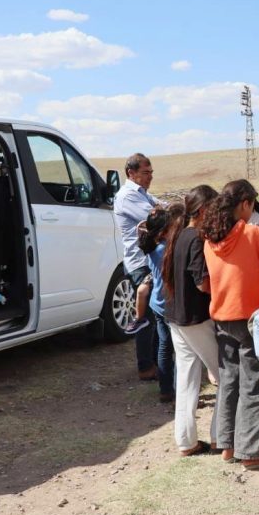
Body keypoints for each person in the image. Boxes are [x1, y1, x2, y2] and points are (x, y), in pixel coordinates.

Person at [200, 180, 259, 469]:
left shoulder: (210, 239)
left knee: (229, 382)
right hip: (252, 319)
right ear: (244, 204)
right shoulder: (253, 234)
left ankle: (226, 445)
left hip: (222, 318)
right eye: (251, 206)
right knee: (254, 384)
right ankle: (253, 453)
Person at [161, 184, 221, 456]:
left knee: (187, 380)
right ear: (204, 209)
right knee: (225, 375)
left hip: (176, 316)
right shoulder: (196, 238)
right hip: (196, 318)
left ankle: (186, 441)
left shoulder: (180, 234)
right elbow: (202, 283)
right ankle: (221, 436)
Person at [113, 152, 159, 380]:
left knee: (154, 315)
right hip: (140, 263)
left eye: (151, 172)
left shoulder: (142, 194)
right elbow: (157, 219)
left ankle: (155, 362)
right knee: (146, 318)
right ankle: (145, 367)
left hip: (146, 261)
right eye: (145, 172)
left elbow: (161, 207)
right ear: (131, 173)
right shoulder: (128, 196)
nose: (150, 177)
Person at [137, 204, 184, 404]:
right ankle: (180, 391)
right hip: (171, 305)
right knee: (181, 351)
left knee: (164, 347)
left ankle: (165, 390)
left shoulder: (152, 248)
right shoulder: (168, 250)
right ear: (165, 230)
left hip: (157, 303)